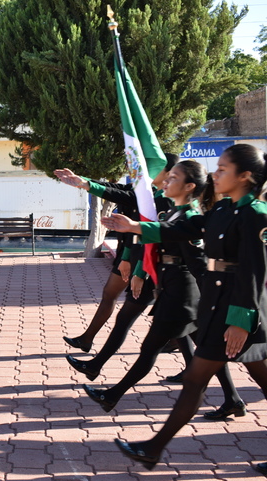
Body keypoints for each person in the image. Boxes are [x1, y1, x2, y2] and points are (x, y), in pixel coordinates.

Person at [103, 144, 267, 475]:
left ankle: (152, 449)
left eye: (223, 169)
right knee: (238, 378)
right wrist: (134, 227)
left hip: (237, 311)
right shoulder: (223, 211)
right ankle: (153, 449)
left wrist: (239, 321)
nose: (216, 174)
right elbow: (183, 230)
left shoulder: (256, 215)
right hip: (217, 306)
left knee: (193, 381)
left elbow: (253, 271)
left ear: (245, 176)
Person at [81, 160, 244, 418]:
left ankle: (113, 395)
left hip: (183, 295)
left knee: (151, 350)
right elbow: (155, 236)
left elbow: (199, 266)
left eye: (173, 178)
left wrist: (216, 302)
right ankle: (232, 398)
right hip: (173, 290)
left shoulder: (190, 216)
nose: (166, 181)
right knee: (204, 348)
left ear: (189, 186)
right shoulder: (173, 214)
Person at [58, 156, 176, 354]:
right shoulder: (145, 192)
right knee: (116, 299)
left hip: (144, 258)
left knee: (167, 311)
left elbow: (150, 235)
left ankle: (187, 351)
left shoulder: (161, 199)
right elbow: (115, 190)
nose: (143, 171)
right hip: (131, 252)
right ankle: (88, 340)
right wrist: (83, 182)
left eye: (152, 167)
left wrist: (133, 264)